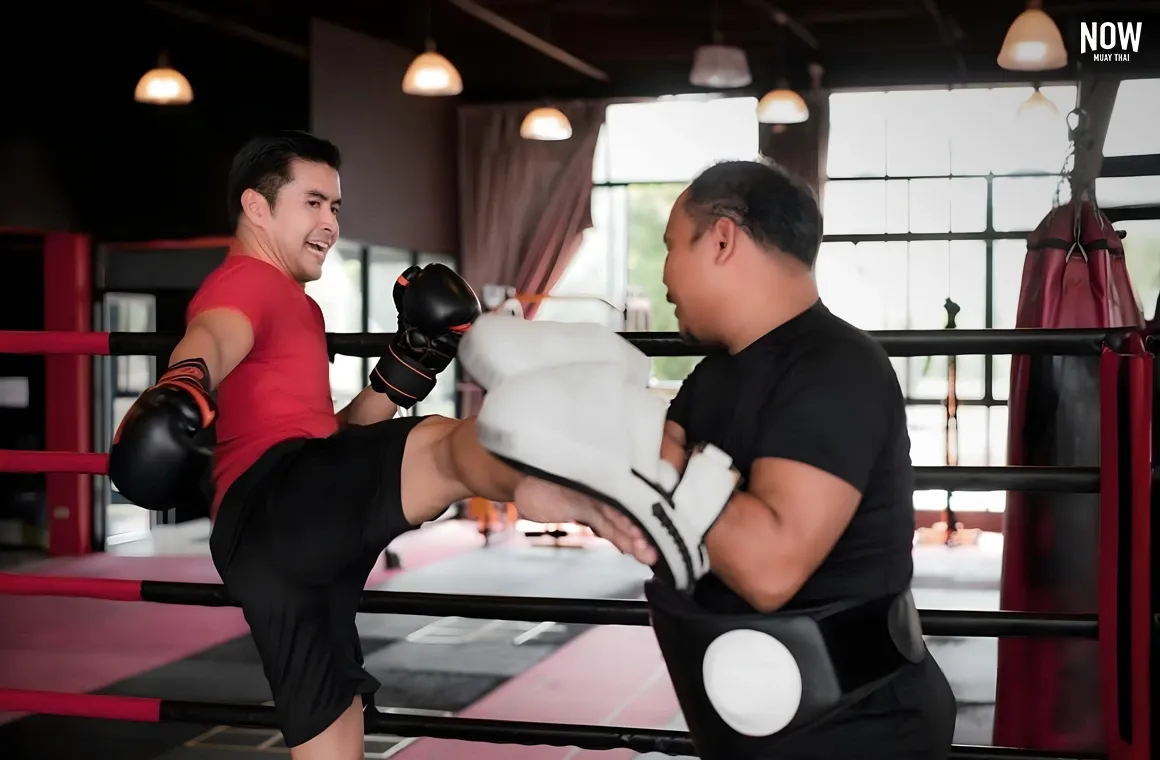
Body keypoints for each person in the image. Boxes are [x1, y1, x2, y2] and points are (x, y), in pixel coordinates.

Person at [108, 130, 652, 759]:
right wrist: (183, 379)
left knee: (332, 736)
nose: (329, 223)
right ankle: (593, 496)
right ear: (257, 207)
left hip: (278, 543)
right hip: (277, 503)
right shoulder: (247, 284)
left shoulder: (297, 305)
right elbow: (211, 336)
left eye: (335, 207)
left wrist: (405, 370)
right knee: (446, 449)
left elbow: (330, 444)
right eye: (312, 202)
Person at [464, 160, 958, 760]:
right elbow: (612, 503)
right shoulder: (710, 380)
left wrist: (637, 442)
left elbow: (769, 569)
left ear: (722, 239)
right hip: (746, 731)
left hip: (863, 728)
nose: (665, 274)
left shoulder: (837, 369)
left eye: (672, 246)